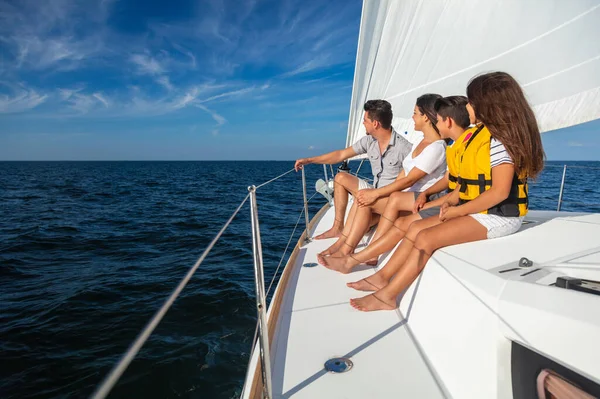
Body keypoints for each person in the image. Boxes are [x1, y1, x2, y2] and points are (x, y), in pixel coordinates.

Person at [348, 71, 545, 311]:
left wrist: (455, 211)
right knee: (416, 226)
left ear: (487, 105)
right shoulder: (482, 137)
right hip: (481, 209)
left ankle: (388, 295)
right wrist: (449, 202)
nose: (468, 106)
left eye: (472, 101)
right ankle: (382, 276)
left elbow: (499, 193)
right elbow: (466, 184)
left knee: (426, 237)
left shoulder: (500, 142)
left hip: (498, 216)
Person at [321, 96, 472, 273]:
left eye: (415, 113)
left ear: (425, 117)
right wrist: (378, 192)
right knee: (364, 198)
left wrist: (377, 194)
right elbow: (403, 176)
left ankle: (352, 250)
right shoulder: (420, 142)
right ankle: (347, 246)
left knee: (368, 200)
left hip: (416, 200)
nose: (412, 117)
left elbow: (410, 180)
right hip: (403, 196)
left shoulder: (437, 147)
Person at [294, 100, 411, 239]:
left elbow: (411, 181)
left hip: (390, 199)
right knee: (340, 178)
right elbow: (340, 155)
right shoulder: (369, 141)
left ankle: (378, 217)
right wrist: (309, 160)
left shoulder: (404, 148)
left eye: (365, 120)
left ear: (375, 124)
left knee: (360, 224)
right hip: (374, 192)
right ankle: (337, 227)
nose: (363, 123)